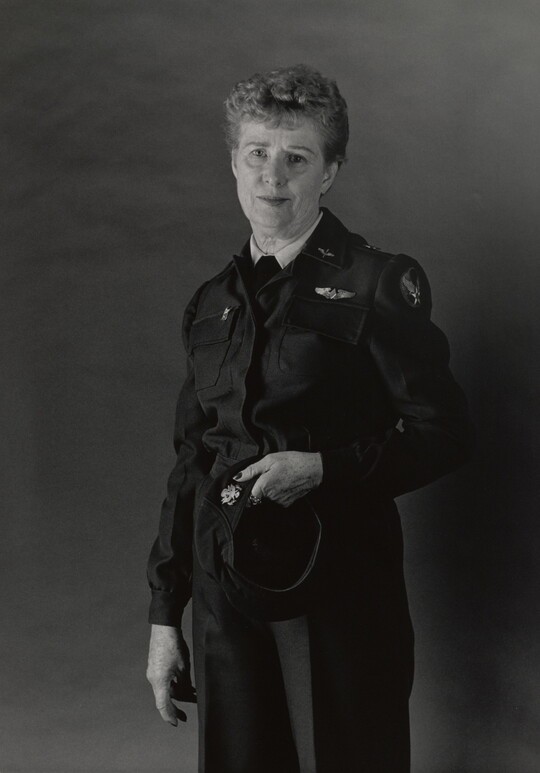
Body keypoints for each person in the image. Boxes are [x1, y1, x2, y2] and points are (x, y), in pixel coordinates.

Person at [146, 64, 472, 773]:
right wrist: (164, 616)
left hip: (340, 587)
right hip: (226, 592)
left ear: (329, 173)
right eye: (257, 153)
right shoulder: (211, 302)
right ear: (234, 163)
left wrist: (325, 469)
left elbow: (444, 432)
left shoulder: (376, 281)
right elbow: (192, 462)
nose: (273, 176)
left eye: (297, 157)